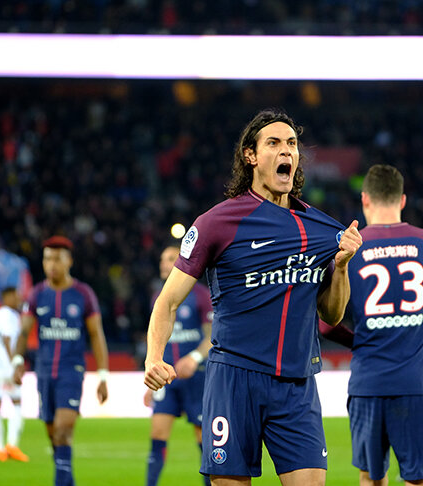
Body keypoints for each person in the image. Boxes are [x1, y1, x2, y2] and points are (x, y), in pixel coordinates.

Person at [143, 109, 362, 486]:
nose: (286, 151)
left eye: (291, 144)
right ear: (251, 155)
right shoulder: (216, 223)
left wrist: (340, 268)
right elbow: (168, 301)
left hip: (297, 385)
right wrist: (153, 357)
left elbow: (332, 313)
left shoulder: (322, 229)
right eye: (273, 143)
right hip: (234, 380)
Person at [342, 164, 423, 486]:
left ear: (365, 199)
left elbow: (326, 325)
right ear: (402, 200)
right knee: (421, 479)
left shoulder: (349, 248)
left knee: (370, 478)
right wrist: (419, 339)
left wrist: (362, 341)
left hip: (368, 383)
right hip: (415, 382)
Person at [13, 235, 110, 486]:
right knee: (53, 434)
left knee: (63, 428)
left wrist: (102, 376)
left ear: (69, 261)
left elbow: (96, 334)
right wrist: (17, 361)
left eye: (57, 259)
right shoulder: (36, 294)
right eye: (47, 259)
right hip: (44, 371)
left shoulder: (83, 294)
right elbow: (23, 331)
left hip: (71, 371)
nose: (51, 264)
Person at [144, 245, 213, 486]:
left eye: (171, 258)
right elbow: (156, 340)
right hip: (167, 379)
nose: (164, 263)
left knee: (204, 439)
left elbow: (212, 336)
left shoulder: (200, 294)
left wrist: (194, 358)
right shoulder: (158, 298)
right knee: (157, 434)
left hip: (197, 377)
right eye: (162, 259)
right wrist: (151, 378)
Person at [0, 286, 29, 462]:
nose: (19, 299)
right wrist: (16, 364)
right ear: (7, 297)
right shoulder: (9, 316)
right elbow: (7, 339)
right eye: (16, 296)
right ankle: (11, 445)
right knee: (17, 403)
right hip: (7, 367)